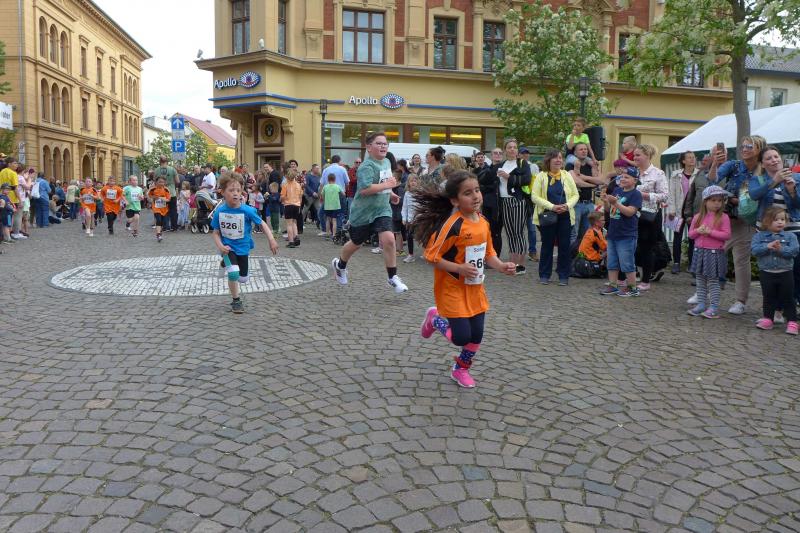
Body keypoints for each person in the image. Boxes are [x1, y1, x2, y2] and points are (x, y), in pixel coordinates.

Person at [415, 170, 516, 388]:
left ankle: (460, 369)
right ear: (455, 200)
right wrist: (459, 268)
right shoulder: (452, 225)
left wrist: (501, 266)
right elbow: (431, 256)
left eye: (477, 190)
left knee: (476, 335)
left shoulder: (483, 222)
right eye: (468, 193)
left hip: (475, 287)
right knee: (461, 337)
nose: (476, 196)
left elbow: (489, 253)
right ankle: (434, 319)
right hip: (451, 288)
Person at [331, 131, 408, 293]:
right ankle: (340, 265)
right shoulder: (366, 167)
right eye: (379, 143)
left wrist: (391, 194)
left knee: (389, 240)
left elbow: (382, 183)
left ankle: (392, 277)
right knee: (356, 244)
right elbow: (365, 190)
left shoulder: (387, 162)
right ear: (369, 147)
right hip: (363, 213)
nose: (383, 146)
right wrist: (388, 186)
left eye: (385, 144)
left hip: (382, 209)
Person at [710, 135, 767, 314]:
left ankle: (741, 301)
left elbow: (762, 193)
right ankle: (705, 292)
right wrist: (714, 163)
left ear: (759, 149)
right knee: (711, 254)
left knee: (741, 261)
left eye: (749, 146)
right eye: (743, 146)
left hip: (747, 221)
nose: (744, 149)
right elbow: (712, 180)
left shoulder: (763, 170)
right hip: (726, 219)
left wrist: (740, 200)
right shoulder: (733, 165)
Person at [212, 173, 279, 314]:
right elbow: (216, 233)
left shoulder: (247, 210)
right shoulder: (219, 212)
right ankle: (236, 301)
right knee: (233, 273)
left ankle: (224, 263)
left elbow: (262, 224)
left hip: (243, 248)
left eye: (238, 190)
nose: (235, 193)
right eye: (231, 190)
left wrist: (271, 239)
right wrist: (220, 246)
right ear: (222, 192)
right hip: (228, 248)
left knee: (243, 278)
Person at [750, 146, 800, 310]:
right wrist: (774, 181)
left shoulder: (796, 177)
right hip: (767, 232)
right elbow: (754, 195)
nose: (774, 160)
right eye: (769, 158)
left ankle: (793, 306)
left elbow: (798, 205)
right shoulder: (758, 179)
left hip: (792, 229)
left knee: (796, 270)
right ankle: (776, 309)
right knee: (771, 269)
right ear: (763, 164)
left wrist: (792, 191)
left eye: (776, 156)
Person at [531, 148, 579, 285]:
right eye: (555, 158)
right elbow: (534, 196)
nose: (559, 160)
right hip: (548, 216)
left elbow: (575, 195)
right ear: (549, 160)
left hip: (565, 215)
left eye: (560, 158)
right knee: (547, 245)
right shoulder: (541, 176)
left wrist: (567, 205)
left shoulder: (567, 175)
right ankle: (544, 274)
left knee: (564, 246)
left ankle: (563, 275)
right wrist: (552, 206)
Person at [752, 206, 799, 334]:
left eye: (782, 219)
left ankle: (792, 322)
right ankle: (768, 319)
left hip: (785, 273)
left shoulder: (791, 236)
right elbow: (755, 250)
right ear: (766, 221)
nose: (780, 222)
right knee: (768, 297)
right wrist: (767, 246)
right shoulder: (759, 236)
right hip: (766, 272)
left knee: (788, 297)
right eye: (776, 219)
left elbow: (794, 251)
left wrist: (780, 249)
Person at [686, 186, 732, 318]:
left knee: (713, 281)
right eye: (713, 200)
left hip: (714, 253)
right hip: (699, 252)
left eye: (720, 200)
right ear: (705, 201)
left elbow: (727, 235)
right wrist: (698, 231)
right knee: (700, 280)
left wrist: (710, 232)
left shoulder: (724, 217)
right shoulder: (697, 217)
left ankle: (714, 307)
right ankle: (701, 304)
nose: (717, 203)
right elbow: (690, 235)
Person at [599, 166, 642, 297]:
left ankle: (632, 287)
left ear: (635, 180)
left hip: (626, 234)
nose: (623, 179)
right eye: (622, 177)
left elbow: (630, 212)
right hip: (613, 233)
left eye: (627, 177)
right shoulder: (617, 190)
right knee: (612, 261)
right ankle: (613, 285)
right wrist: (606, 202)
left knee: (627, 262)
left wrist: (616, 203)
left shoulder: (636, 194)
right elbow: (609, 210)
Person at [634, 144, 669, 290]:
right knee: (632, 245)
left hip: (650, 216)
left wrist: (645, 195)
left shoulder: (658, 173)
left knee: (647, 247)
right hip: (632, 213)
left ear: (647, 156)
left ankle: (645, 280)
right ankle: (631, 276)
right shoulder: (633, 172)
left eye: (638, 155)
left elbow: (664, 196)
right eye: (634, 155)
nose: (635, 158)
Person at [497, 139, 532, 275]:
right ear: (505, 150)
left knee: (518, 232)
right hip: (504, 200)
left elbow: (527, 180)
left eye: (514, 147)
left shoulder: (522, 163)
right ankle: (512, 264)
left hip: (517, 200)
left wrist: (509, 177)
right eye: (509, 147)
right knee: (510, 233)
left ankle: (521, 265)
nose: (512, 149)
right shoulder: (501, 164)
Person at [668, 151, 699, 274]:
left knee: (693, 238)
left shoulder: (699, 174)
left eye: (693, 157)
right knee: (677, 237)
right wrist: (671, 209)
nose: (692, 159)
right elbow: (671, 193)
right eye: (689, 157)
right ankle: (676, 263)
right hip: (678, 211)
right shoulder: (676, 175)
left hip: (693, 211)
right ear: (683, 161)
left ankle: (692, 264)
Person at [566, 142, 603, 244]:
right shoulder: (570, 165)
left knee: (588, 234)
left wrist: (584, 177)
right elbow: (577, 182)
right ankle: (572, 254)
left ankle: (583, 254)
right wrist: (592, 184)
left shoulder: (590, 165)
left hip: (589, 204)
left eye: (585, 149)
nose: (584, 151)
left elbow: (600, 180)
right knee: (573, 233)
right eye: (581, 149)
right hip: (576, 204)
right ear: (575, 153)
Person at [478, 148, 503, 256]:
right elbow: (480, 184)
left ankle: (496, 256)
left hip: (500, 205)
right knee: (488, 231)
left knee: (497, 232)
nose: (497, 155)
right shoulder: (487, 169)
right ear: (491, 156)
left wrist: (489, 186)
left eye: (500, 153)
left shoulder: (506, 168)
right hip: (487, 204)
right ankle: (489, 255)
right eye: (495, 153)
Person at [576, 211, 607, 275]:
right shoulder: (597, 232)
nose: (604, 222)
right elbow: (605, 246)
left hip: (582, 257)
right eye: (602, 220)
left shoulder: (589, 230)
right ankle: (611, 270)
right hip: (590, 258)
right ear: (596, 223)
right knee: (612, 249)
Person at [154, 156, 179, 231]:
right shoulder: (172, 169)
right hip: (171, 192)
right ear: (167, 161)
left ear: (160, 161)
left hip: (161, 193)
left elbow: (155, 182)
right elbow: (177, 181)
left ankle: (165, 226)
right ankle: (174, 227)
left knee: (162, 210)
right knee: (173, 210)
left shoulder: (156, 170)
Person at [280, 169, 303, 247]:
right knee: (294, 222)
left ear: (287, 176)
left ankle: (291, 241)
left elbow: (282, 197)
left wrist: (281, 199)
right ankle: (296, 236)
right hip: (297, 205)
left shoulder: (285, 185)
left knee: (289, 224)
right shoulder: (298, 185)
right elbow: (300, 196)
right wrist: (299, 205)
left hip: (288, 205)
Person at [147, 175, 171, 242]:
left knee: (163, 222)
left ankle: (160, 232)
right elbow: (149, 196)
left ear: (164, 183)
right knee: (158, 220)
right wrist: (154, 197)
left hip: (164, 209)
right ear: (156, 182)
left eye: (163, 182)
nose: (161, 183)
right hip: (156, 208)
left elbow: (168, 199)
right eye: (159, 182)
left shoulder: (166, 189)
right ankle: (158, 234)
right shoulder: (153, 189)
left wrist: (164, 199)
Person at [401, 173, 419, 263]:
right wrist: (404, 218)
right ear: (408, 183)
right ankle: (411, 255)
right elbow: (404, 207)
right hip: (410, 220)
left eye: (415, 181)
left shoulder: (421, 193)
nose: (413, 182)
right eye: (411, 181)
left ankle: (427, 253)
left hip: (419, 219)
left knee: (423, 237)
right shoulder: (407, 194)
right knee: (409, 236)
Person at [320, 173, 343, 238]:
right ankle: (334, 235)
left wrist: (324, 200)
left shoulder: (325, 187)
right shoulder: (337, 186)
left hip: (327, 206)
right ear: (335, 179)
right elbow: (343, 194)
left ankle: (327, 233)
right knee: (334, 220)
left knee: (327, 219)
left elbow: (322, 195)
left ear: (328, 179)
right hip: (336, 206)